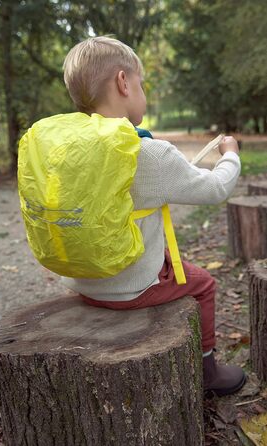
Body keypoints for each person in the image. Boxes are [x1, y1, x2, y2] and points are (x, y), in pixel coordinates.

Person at [60, 36, 245, 397]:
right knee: (203, 283)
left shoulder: (67, 151)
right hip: (130, 286)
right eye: (141, 82)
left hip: (80, 280)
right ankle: (208, 370)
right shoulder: (149, 153)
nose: (142, 90)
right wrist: (231, 154)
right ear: (123, 82)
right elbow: (216, 189)